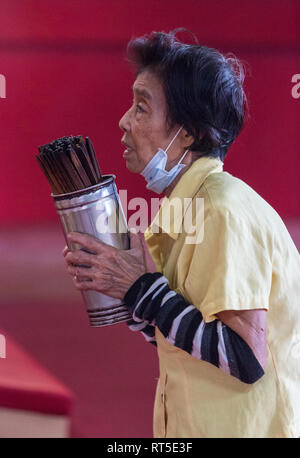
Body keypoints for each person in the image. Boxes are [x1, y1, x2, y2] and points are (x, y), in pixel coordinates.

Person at [63, 31, 300, 438]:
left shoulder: (221, 211)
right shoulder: (184, 209)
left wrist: (141, 290)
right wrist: (125, 290)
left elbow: (245, 358)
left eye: (141, 107)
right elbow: (189, 341)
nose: (124, 121)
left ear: (189, 132)